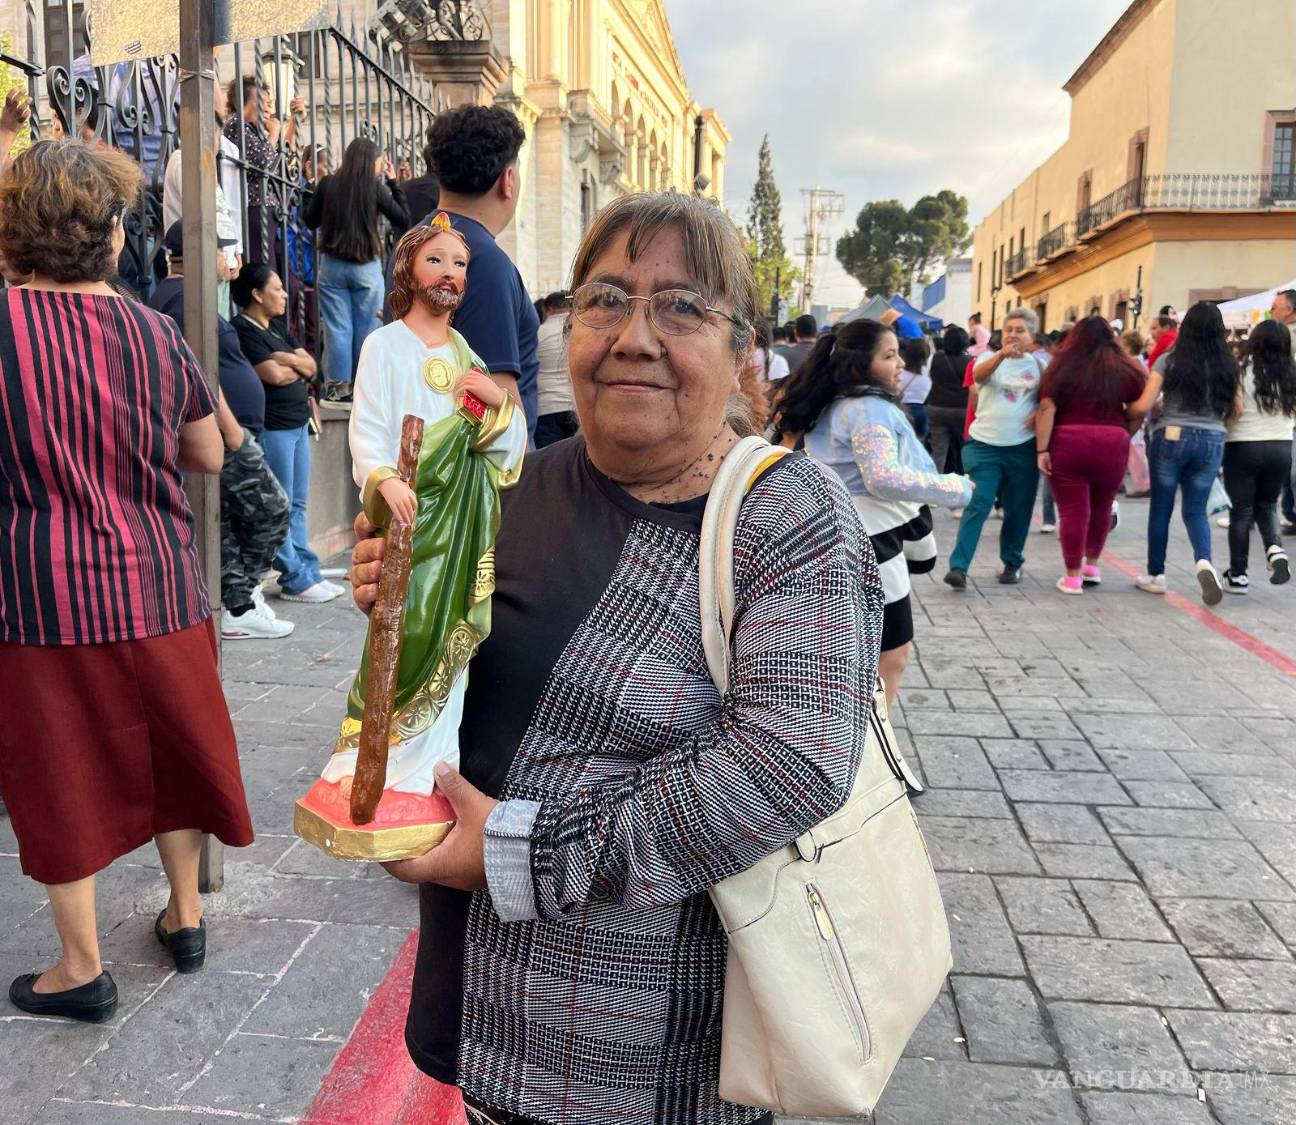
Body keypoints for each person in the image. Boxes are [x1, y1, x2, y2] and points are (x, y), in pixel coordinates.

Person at [348, 191, 881, 1125]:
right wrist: (403, 597)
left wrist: (518, 854)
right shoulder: (510, 481)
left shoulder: (788, 517)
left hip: (648, 1059)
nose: (634, 336)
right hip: (480, 1003)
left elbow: (790, 766)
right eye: (605, 299)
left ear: (742, 349)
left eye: (681, 307)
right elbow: (457, 680)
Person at [0, 141, 254, 1021]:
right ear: (109, 236)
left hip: (41, 595)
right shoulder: (153, 331)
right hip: (159, 584)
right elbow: (210, 451)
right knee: (171, 753)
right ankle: (184, 916)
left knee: (56, 770)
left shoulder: (0, 327)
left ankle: (81, 967)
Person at [773, 318, 969, 703]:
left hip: (835, 536)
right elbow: (882, 477)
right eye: (889, 355)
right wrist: (956, 487)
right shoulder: (868, 409)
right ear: (861, 363)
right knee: (892, 651)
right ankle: (873, 742)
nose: (900, 365)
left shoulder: (834, 405)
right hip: (873, 544)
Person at [149, 224, 293, 639]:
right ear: (197, 253)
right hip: (224, 433)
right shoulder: (181, 300)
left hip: (230, 429)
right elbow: (197, 370)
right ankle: (243, 594)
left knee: (229, 524)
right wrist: (229, 431)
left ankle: (239, 604)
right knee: (272, 510)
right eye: (223, 252)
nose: (229, 261)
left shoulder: (187, 296)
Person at [394, 105, 539, 443]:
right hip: (476, 480)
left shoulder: (413, 244)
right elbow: (495, 395)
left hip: (421, 456)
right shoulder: (486, 262)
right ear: (508, 181)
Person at [232, 263, 342, 604]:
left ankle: (307, 571)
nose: (283, 295)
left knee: (297, 503)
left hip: (298, 425)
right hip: (275, 426)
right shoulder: (243, 329)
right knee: (280, 505)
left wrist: (286, 357)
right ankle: (294, 576)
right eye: (277, 288)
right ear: (256, 294)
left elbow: (310, 366)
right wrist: (289, 363)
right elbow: (273, 376)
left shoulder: (277, 327)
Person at [1033, 317, 1156, 593]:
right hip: (1112, 441)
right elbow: (1138, 409)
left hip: (1068, 441)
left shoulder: (1060, 366)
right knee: (1102, 506)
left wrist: (1042, 449)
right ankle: (1091, 565)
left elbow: (1047, 408)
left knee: (1072, 511)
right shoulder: (1125, 367)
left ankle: (1072, 576)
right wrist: (1123, 430)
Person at [1136, 301, 1241, 603]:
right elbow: (1238, 409)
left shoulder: (1169, 361)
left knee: (1161, 509)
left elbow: (1145, 405)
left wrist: (1132, 410)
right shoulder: (1228, 365)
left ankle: (1156, 574)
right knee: (1196, 510)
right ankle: (1204, 562)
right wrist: (1217, 428)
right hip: (1212, 439)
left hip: (1171, 436)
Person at [944, 308, 1044, 588]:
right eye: (1009, 329)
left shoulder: (1038, 366)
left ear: (1032, 336)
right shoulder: (986, 358)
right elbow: (980, 376)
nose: (1013, 334)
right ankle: (958, 568)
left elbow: (1048, 400)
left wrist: (1040, 412)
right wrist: (1001, 355)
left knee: (1018, 508)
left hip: (1022, 447)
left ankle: (1012, 562)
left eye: (1020, 330)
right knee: (978, 503)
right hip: (984, 446)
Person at [305, 137, 410, 393]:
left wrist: (311, 185)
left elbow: (309, 220)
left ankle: (340, 389)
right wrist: (394, 181)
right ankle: (365, 388)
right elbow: (403, 218)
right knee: (368, 330)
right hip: (365, 267)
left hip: (332, 267)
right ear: (371, 162)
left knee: (337, 330)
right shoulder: (374, 188)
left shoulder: (328, 184)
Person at [1220, 318, 1295, 590]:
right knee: (1267, 505)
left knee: (1241, 511)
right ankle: (1275, 549)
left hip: (1244, 445)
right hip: (1281, 445)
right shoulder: (1291, 374)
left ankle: (1238, 575)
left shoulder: (1240, 371)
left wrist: (1225, 431)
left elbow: (1236, 410)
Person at [534, 291, 579, 447]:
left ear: (548, 309)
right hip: (575, 406)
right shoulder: (580, 331)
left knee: (550, 464)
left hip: (546, 408)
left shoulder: (538, 333)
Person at [927, 324, 972, 475]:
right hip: (962, 409)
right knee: (965, 447)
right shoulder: (971, 362)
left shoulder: (934, 358)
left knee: (938, 451)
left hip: (936, 406)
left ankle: (934, 487)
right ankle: (966, 481)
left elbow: (929, 379)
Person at [1269, 288, 1296, 532]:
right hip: (1286, 412)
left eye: (1275, 307)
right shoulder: (1281, 334)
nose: (1271, 311)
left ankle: (1291, 513)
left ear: (1289, 310)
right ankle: (1290, 513)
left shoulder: (1283, 337)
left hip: (1287, 411)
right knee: (1288, 466)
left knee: (1292, 467)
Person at [899, 335, 932, 441]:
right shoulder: (929, 373)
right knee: (920, 443)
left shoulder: (899, 372)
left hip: (902, 409)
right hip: (922, 410)